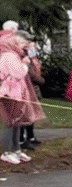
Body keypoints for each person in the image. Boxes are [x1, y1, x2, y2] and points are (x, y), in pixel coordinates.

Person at [0, 30, 45, 165]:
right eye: (25, 42)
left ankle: (16, 150)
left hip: (17, 93)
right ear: (17, 40)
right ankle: (8, 152)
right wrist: (24, 64)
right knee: (11, 123)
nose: (27, 45)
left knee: (17, 122)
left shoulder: (14, 54)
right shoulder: (9, 56)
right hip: (9, 94)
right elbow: (18, 73)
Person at [19, 34, 43, 150]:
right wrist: (40, 80)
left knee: (31, 115)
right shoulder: (23, 57)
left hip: (33, 88)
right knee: (25, 115)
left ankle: (30, 136)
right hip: (28, 87)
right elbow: (29, 73)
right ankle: (22, 139)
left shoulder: (33, 58)